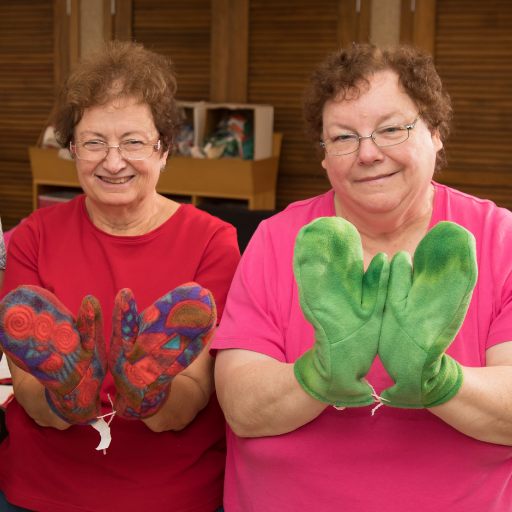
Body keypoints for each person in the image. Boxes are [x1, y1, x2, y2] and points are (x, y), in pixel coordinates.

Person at [212, 43, 512, 511]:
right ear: (324, 154)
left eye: (391, 129)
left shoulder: (501, 240)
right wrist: (321, 371)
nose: (367, 154)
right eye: (343, 137)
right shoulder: (275, 240)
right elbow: (243, 409)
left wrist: (438, 380)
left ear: (434, 131)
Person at [0, 41, 240, 512]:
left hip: (171, 493)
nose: (113, 162)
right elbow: (27, 388)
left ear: (164, 149)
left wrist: (147, 396)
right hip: (42, 489)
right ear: (72, 150)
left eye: (133, 141)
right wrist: (68, 397)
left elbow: (196, 392)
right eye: (94, 143)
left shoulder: (214, 241)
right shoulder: (32, 237)